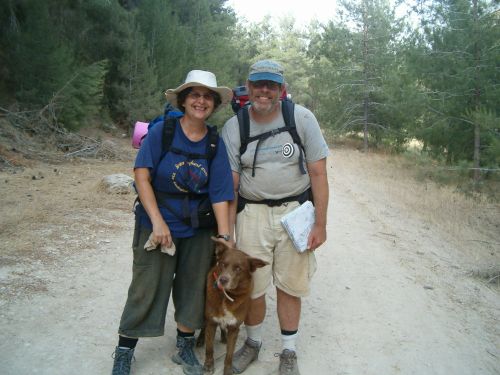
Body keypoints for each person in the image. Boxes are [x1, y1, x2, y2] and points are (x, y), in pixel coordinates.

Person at [112, 70, 235, 375]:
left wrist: (224, 237)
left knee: (194, 287)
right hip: (157, 222)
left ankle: (184, 346)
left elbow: (220, 193)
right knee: (146, 285)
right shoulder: (163, 132)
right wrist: (157, 222)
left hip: (198, 228)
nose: (201, 101)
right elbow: (142, 175)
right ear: (183, 100)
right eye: (194, 94)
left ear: (214, 105)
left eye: (207, 96)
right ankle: (124, 350)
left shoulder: (214, 144)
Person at [221, 60, 329, 375]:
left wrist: (320, 224)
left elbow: (319, 173)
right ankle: (252, 344)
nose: (264, 91)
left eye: (271, 85)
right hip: (251, 213)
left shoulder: (302, 118)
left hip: (296, 213)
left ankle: (288, 352)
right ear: (249, 87)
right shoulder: (235, 126)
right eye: (258, 84)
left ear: (281, 89)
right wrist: (228, 233)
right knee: (251, 285)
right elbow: (231, 185)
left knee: (290, 285)